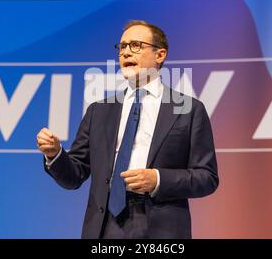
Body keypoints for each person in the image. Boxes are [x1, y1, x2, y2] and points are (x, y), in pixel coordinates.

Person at [36, 20, 219, 239]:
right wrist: (55, 154)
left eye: (136, 45)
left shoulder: (188, 109)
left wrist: (158, 179)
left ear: (160, 55)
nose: (125, 53)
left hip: (160, 226)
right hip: (105, 225)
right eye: (122, 47)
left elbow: (207, 177)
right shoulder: (99, 111)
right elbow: (74, 176)